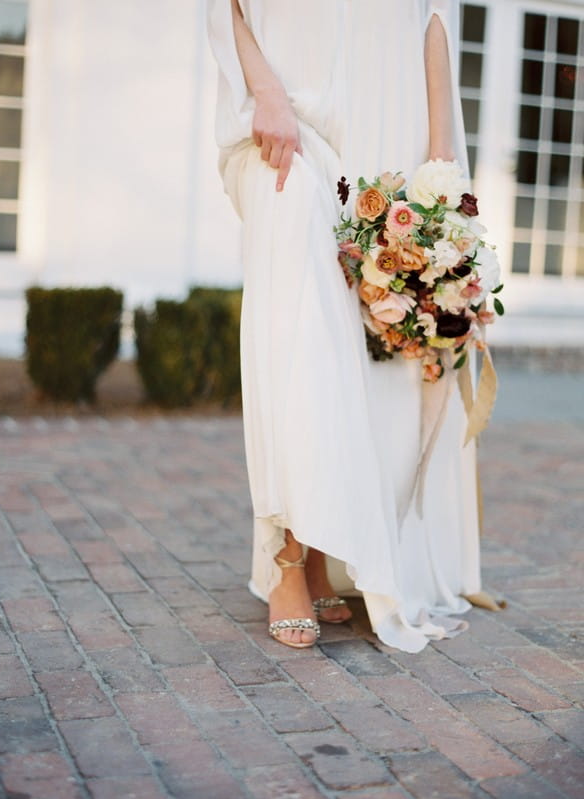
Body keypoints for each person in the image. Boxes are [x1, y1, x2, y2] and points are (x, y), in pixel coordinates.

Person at [207, 0, 486, 653]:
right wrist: (265, 94)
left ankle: (324, 548)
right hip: (286, 125)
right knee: (301, 333)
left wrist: (440, 164)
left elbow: (434, 19)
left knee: (368, 354)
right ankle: (286, 551)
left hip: (388, 129)